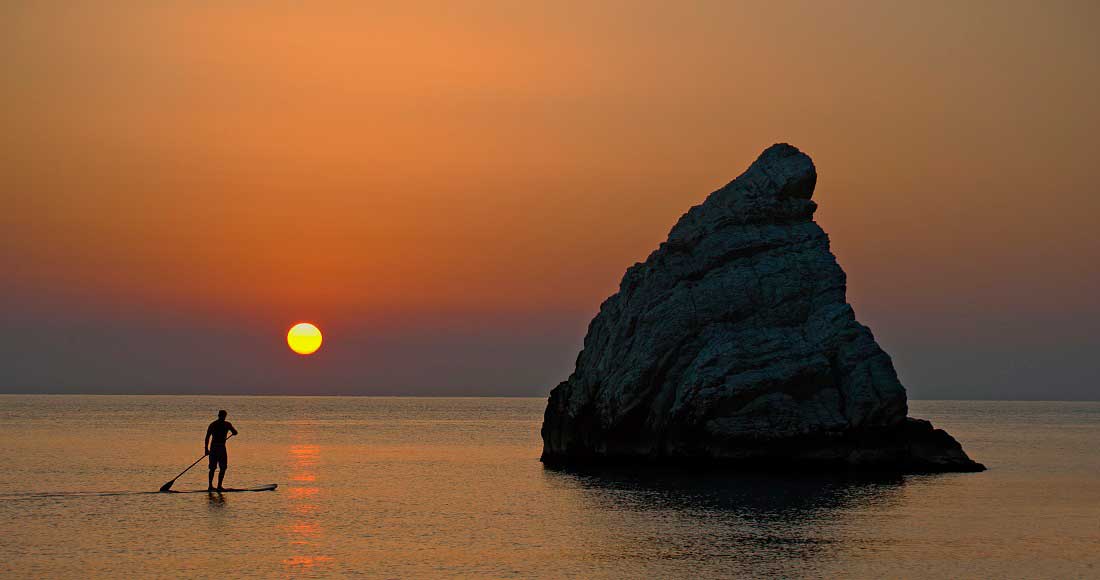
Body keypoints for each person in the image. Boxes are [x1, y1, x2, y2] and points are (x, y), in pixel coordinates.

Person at [205, 410, 238, 492]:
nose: (223, 417)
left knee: (221, 467)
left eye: (223, 416)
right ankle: (212, 486)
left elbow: (235, 432)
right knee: (214, 468)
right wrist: (206, 449)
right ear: (220, 415)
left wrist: (206, 449)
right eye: (222, 416)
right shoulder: (219, 424)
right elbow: (207, 437)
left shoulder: (223, 424)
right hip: (217, 448)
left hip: (217, 448)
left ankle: (217, 486)